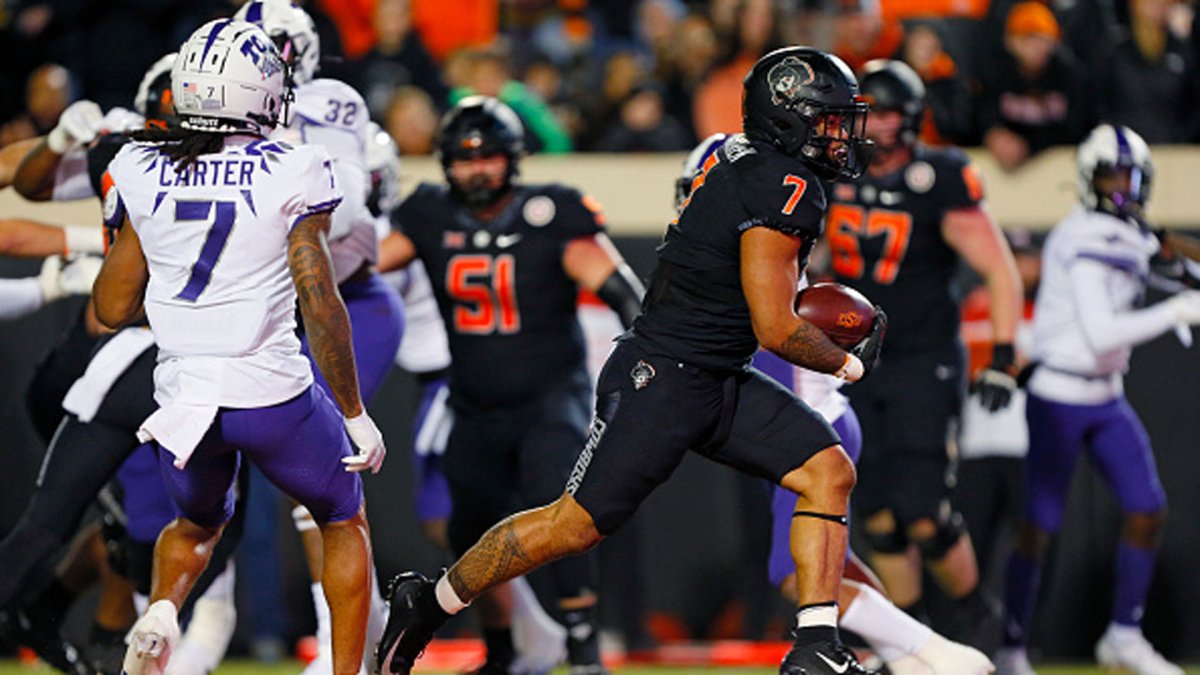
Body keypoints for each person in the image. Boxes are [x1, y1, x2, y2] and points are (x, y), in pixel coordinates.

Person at [376, 46, 887, 675]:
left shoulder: (745, 158)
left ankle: (815, 647)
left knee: (826, 469)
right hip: (665, 376)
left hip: (714, 371)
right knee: (572, 526)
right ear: (786, 118)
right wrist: (846, 361)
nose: (838, 135)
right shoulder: (782, 183)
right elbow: (777, 328)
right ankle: (427, 603)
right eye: (825, 119)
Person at [90, 19, 385, 675]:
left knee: (195, 524)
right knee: (341, 513)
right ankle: (345, 672)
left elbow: (110, 306)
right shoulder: (296, 165)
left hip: (182, 404)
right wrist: (354, 410)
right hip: (268, 392)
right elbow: (318, 294)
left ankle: (163, 608)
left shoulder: (138, 163)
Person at [674, 133, 991, 675]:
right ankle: (909, 654)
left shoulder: (747, 256)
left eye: (704, 190)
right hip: (808, 422)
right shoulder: (741, 253)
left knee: (796, 575)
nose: (693, 204)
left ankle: (938, 652)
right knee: (831, 563)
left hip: (807, 429)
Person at [376, 94, 642, 674]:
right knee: (469, 533)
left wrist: (648, 354)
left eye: (488, 157)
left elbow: (620, 289)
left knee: (568, 520)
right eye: (465, 159)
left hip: (551, 397)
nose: (477, 170)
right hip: (474, 405)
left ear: (512, 158)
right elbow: (363, 267)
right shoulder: (429, 215)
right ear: (446, 162)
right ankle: (502, 652)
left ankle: (583, 647)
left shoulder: (551, 213)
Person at [823, 59, 1022, 653]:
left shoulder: (940, 178)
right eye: (867, 112)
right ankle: (910, 644)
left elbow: (997, 267)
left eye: (884, 113)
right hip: (858, 363)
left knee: (925, 514)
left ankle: (977, 621)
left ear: (908, 120)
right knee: (880, 515)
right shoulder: (833, 175)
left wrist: (1005, 354)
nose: (873, 125)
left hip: (924, 359)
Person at [233, 3, 405, 672]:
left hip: (347, 298)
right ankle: (358, 624)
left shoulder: (329, 101)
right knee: (275, 478)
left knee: (323, 465)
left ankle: (344, 641)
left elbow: (344, 212)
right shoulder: (231, 131)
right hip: (280, 308)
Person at [995, 124, 1200, 675]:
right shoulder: (1080, 235)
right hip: (1060, 392)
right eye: (1114, 175)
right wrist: (1177, 310)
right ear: (1089, 179)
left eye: (1132, 177)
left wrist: (1181, 271)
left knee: (1148, 509)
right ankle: (1012, 646)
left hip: (1105, 395)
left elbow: (1176, 268)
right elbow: (1103, 333)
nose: (1124, 188)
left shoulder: (1131, 234)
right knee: (1039, 526)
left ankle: (1124, 635)